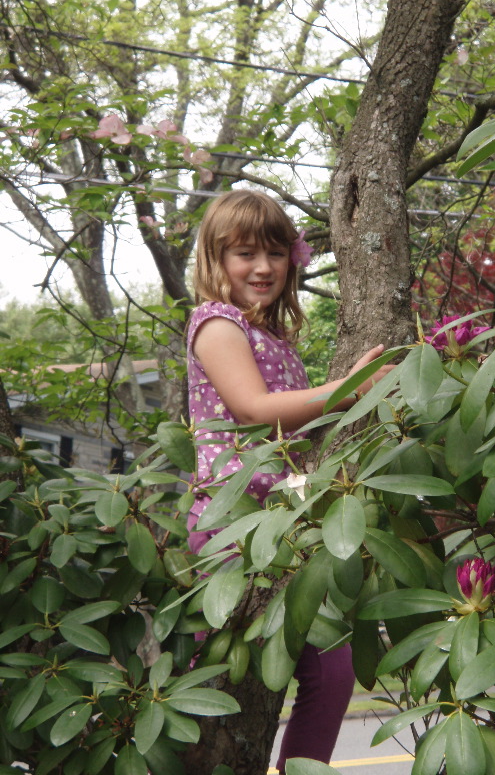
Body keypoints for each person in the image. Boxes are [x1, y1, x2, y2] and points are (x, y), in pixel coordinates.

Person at [186, 189, 392, 772]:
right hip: (233, 526)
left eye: (276, 252)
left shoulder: (276, 340)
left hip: (283, 527)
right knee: (220, 696)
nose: (263, 267)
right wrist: (350, 386)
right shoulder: (216, 323)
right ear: (215, 260)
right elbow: (253, 409)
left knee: (334, 668)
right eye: (244, 253)